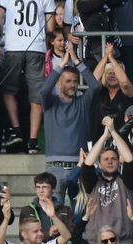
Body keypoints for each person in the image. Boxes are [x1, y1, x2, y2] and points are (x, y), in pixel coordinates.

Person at [41, 42, 100, 205]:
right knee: (55, 211)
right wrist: (61, 64)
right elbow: (44, 90)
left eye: (75, 81)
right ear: (59, 84)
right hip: (54, 167)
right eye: (68, 81)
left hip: (78, 164)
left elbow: (94, 86)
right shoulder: (50, 103)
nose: (73, 85)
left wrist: (76, 60)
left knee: (79, 210)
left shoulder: (82, 102)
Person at [0, 0, 55, 153]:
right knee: (36, 95)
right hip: (36, 48)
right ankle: (33, 141)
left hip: (13, 47)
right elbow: (50, 26)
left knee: (8, 90)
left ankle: (16, 130)